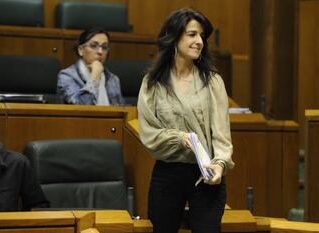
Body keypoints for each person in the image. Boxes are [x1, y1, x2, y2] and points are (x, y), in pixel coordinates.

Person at [137, 8, 234, 233]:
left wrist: (220, 164)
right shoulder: (153, 83)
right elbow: (149, 133)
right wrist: (180, 138)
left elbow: (222, 135)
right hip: (168, 174)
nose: (199, 41)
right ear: (174, 37)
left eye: (201, 36)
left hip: (207, 176)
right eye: (192, 34)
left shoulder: (213, 81)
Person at [57, 27, 124, 106]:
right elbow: (83, 108)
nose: (100, 51)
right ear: (80, 50)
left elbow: (121, 111)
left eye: (104, 47)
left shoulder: (112, 79)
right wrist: (95, 76)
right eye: (94, 46)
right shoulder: (67, 76)